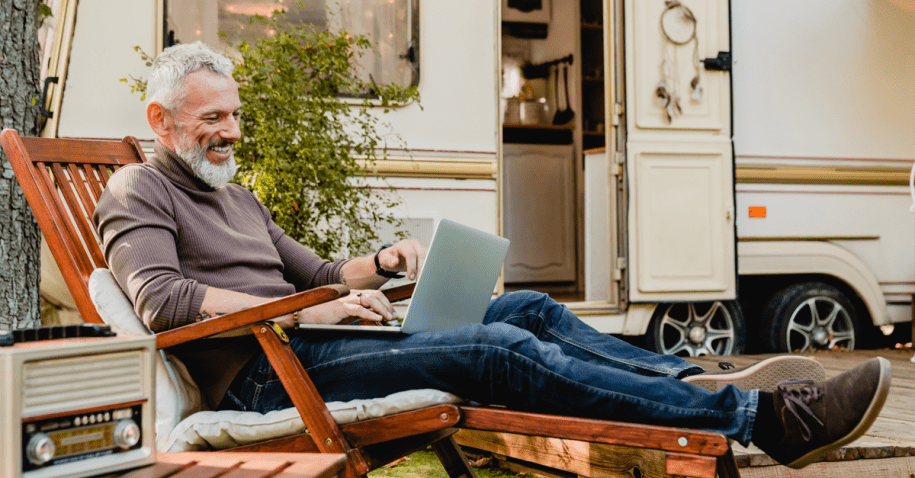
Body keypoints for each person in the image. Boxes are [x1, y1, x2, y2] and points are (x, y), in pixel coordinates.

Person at [94, 42, 891, 470]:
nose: (231, 131)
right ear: (162, 120)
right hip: (268, 376)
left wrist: (383, 263)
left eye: (234, 115)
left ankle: (692, 381)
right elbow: (163, 303)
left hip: (310, 341)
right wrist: (312, 310)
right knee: (494, 348)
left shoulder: (235, 195)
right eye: (212, 120)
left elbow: (322, 276)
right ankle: (761, 419)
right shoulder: (137, 190)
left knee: (529, 309)